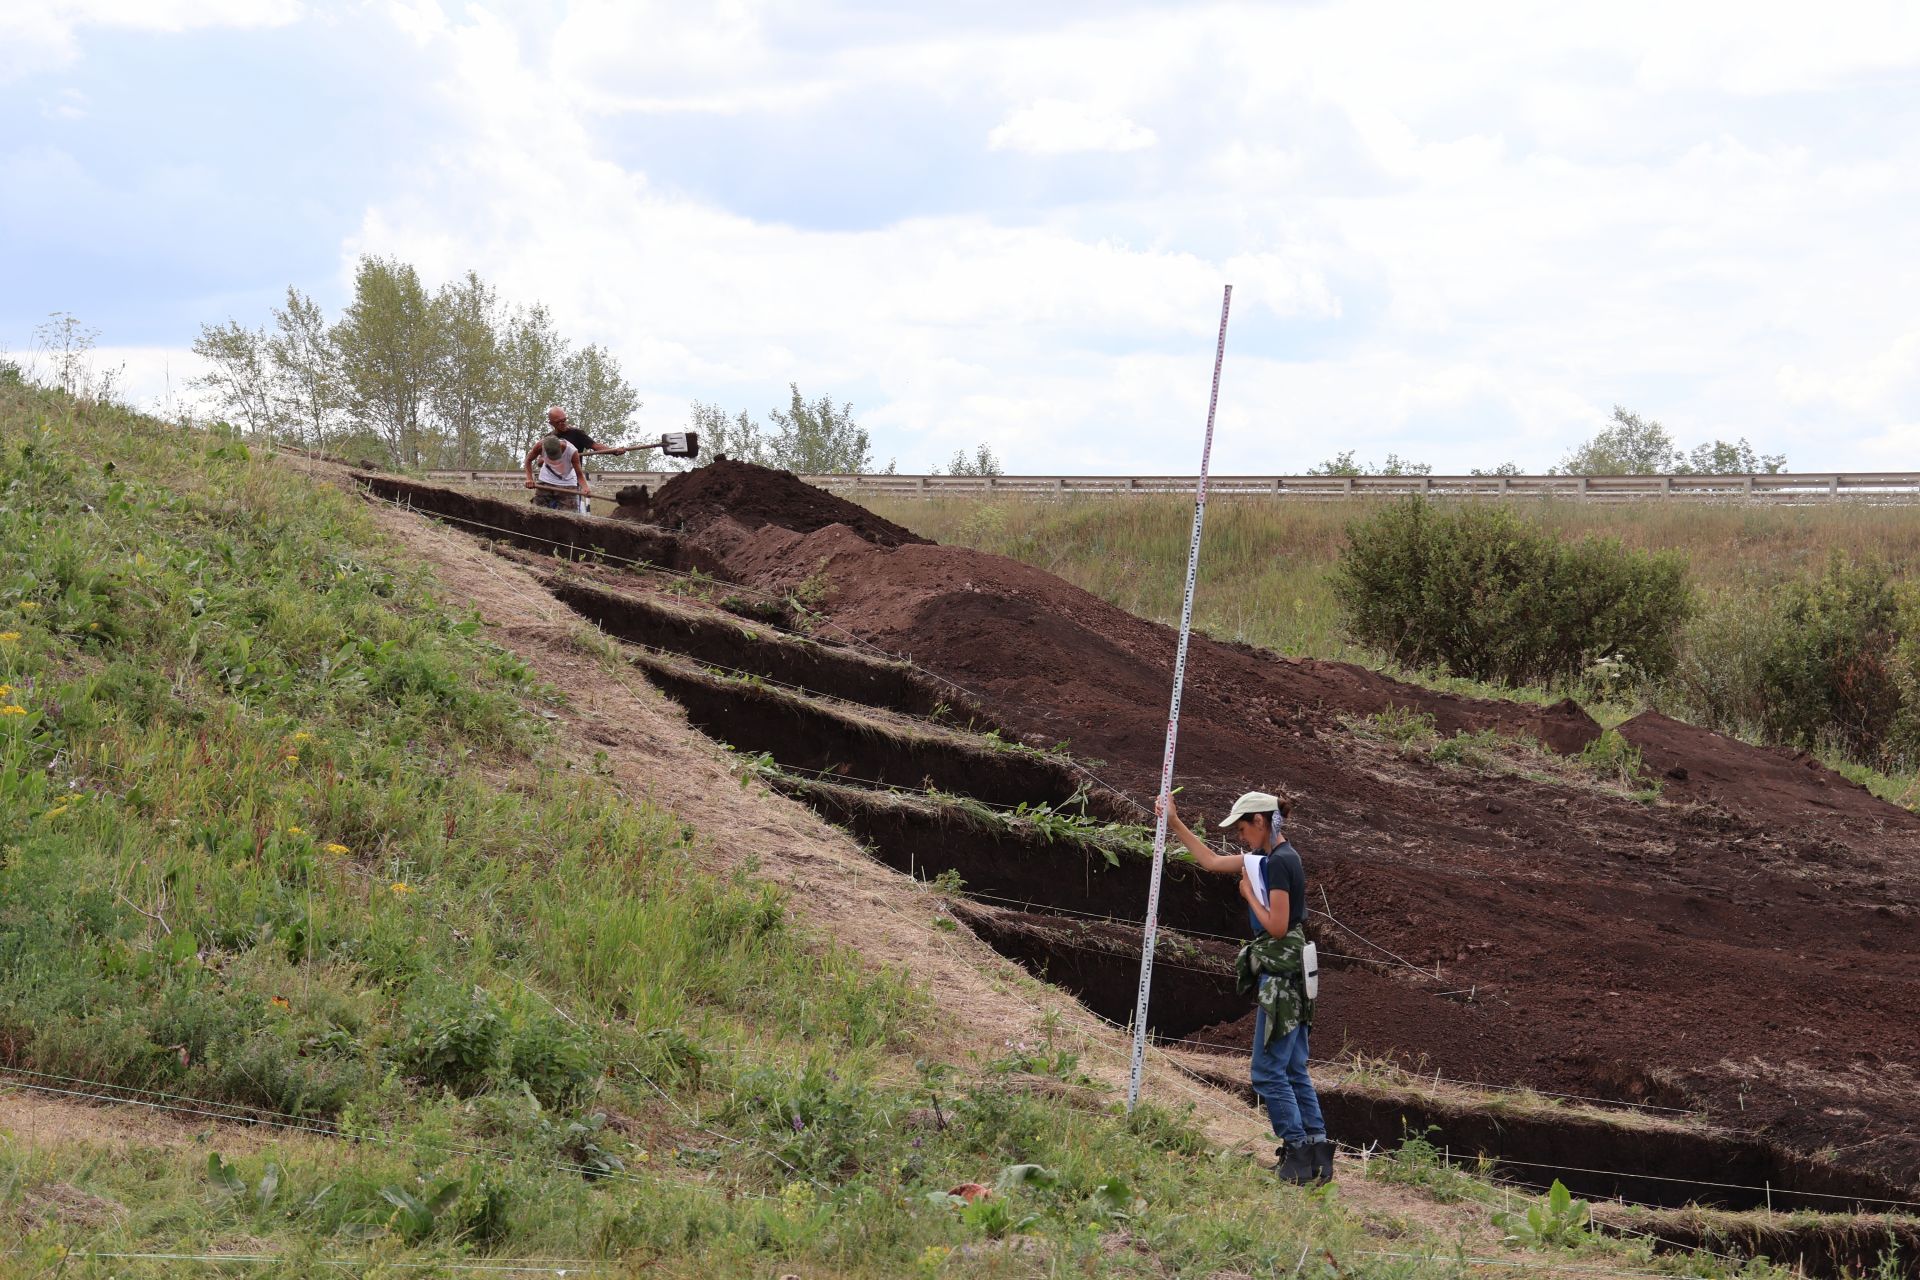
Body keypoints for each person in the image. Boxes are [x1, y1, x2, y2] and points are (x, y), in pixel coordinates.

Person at [1159, 789, 1330, 1186]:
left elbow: (1276, 927)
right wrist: (1174, 822)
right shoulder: (1267, 859)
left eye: (1242, 828)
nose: (1240, 836)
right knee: (1292, 1067)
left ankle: (1297, 1154)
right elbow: (1210, 860)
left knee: (1268, 1072)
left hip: (1283, 978)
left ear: (1261, 821)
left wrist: (1250, 895)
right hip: (1296, 973)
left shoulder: (1281, 864)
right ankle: (1317, 1156)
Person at [544, 406, 630, 514]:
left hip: (572, 480)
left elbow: (595, 446)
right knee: (548, 511)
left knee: (571, 512)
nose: (563, 423)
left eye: (564, 420)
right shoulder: (548, 439)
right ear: (551, 423)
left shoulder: (576, 434)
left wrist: (614, 450)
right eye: (558, 422)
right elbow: (540, 460)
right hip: (552, 481)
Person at [523, 433, 589, 511]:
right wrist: (529, 479)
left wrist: (585, 488)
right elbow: (528, 460)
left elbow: (579, 474)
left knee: (569, 516)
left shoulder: (572, 451)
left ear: (560, 446)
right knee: (536, 511)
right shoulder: (539, 446)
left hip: (567, 482)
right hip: (546, 480)